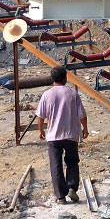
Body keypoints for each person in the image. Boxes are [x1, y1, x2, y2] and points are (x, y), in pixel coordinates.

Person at [36, 65, 88, 204]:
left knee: (56, 165)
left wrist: (41, 130)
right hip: (71, 135)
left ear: (53, 79)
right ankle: (72, 188)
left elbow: (41, 116)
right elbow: (82, 114)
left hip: (53, 136)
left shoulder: (47, 94)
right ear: (65, 78)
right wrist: (85, 129)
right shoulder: (72, 94)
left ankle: (61, 197)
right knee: (72, 162)